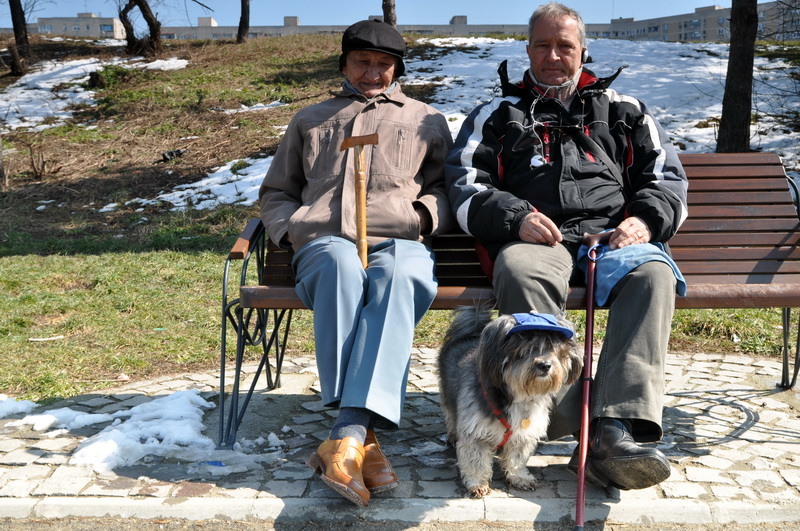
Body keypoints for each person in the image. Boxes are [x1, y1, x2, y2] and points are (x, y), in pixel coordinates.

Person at [445, 2, 688, 491]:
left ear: (583, 51)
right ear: (527, 50)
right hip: (538, 238)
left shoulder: (625, 110)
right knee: (521, 270)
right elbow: (465, 184)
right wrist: (517, 217)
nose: (553, 55)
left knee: (653, 275)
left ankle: (614, 430)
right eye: (543, 45)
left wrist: (643, 221)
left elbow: (666, 179)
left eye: (565, 46)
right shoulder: (498, 114)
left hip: (612, 238)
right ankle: (550, 419)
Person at [258, 19, 454, 506]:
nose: (372, 72)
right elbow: (276, 191)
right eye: (362, 62)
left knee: (402, 273)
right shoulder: (311, 119)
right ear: (344, 64)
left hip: (399, 239)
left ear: (397, 70)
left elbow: (444, 188)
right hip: (326, 241)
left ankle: (345, 435)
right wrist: (292, 226)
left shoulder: (425, 119)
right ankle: (362, 439)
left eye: (384, 64)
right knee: (340, 266)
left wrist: (422, 217)